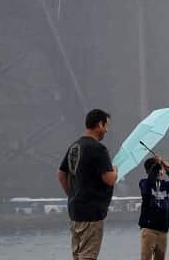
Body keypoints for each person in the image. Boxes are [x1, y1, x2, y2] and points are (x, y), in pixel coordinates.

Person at [57, 109, 119, 260]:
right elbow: (109, 179)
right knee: (88, 256)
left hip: (75, 210)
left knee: (78, 255)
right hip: (92, 212)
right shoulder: (98, 149)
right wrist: (115, 170)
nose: (106, 130)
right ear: (99, 124)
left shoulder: (75, 146)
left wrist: (72, 194)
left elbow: (61, 174)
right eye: (106, 125)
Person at [138, 156, 169, 259]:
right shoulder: (144, 183)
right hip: (149, 230)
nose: (160, 172)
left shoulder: (164, 185)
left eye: (161, 170)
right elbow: (149, 186)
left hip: (163, 230)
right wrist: (157, 165)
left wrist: (168, 170)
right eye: (159, 170)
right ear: (150, 171)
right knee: (146, 258)